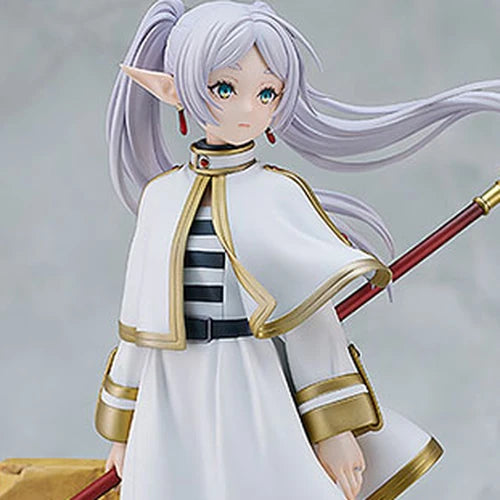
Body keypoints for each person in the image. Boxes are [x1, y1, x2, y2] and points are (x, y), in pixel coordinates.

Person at [94, 1, 500, 499]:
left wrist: (333, 430)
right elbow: (139, 327)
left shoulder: (278, 194)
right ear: (173, 89)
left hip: (252, 383)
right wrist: (123, 427)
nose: (248, 109)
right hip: (169, 396)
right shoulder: (161, 198)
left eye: (267, 92)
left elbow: (310, 324)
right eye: (224, 88)